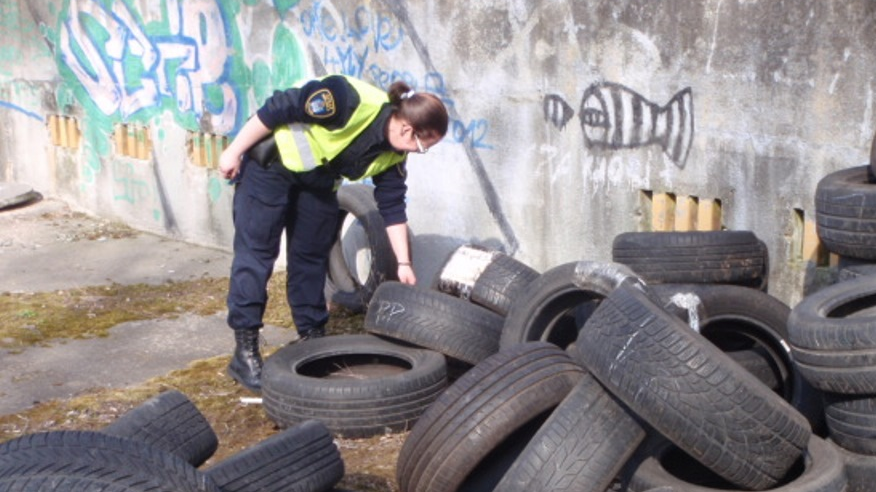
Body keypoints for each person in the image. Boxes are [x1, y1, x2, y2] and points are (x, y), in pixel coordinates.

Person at [218, 75, 449, 393]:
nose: (421, 152)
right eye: (424, 145)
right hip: (271, 168)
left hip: (318, 182)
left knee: (311, 258)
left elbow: (392, 206)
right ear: (408, 128)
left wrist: (405, 264)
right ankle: (244, 352)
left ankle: (311, 337)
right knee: (256, 257)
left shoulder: (395, 153)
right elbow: (277, 108)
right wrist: (233, 151)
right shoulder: (347, 99)